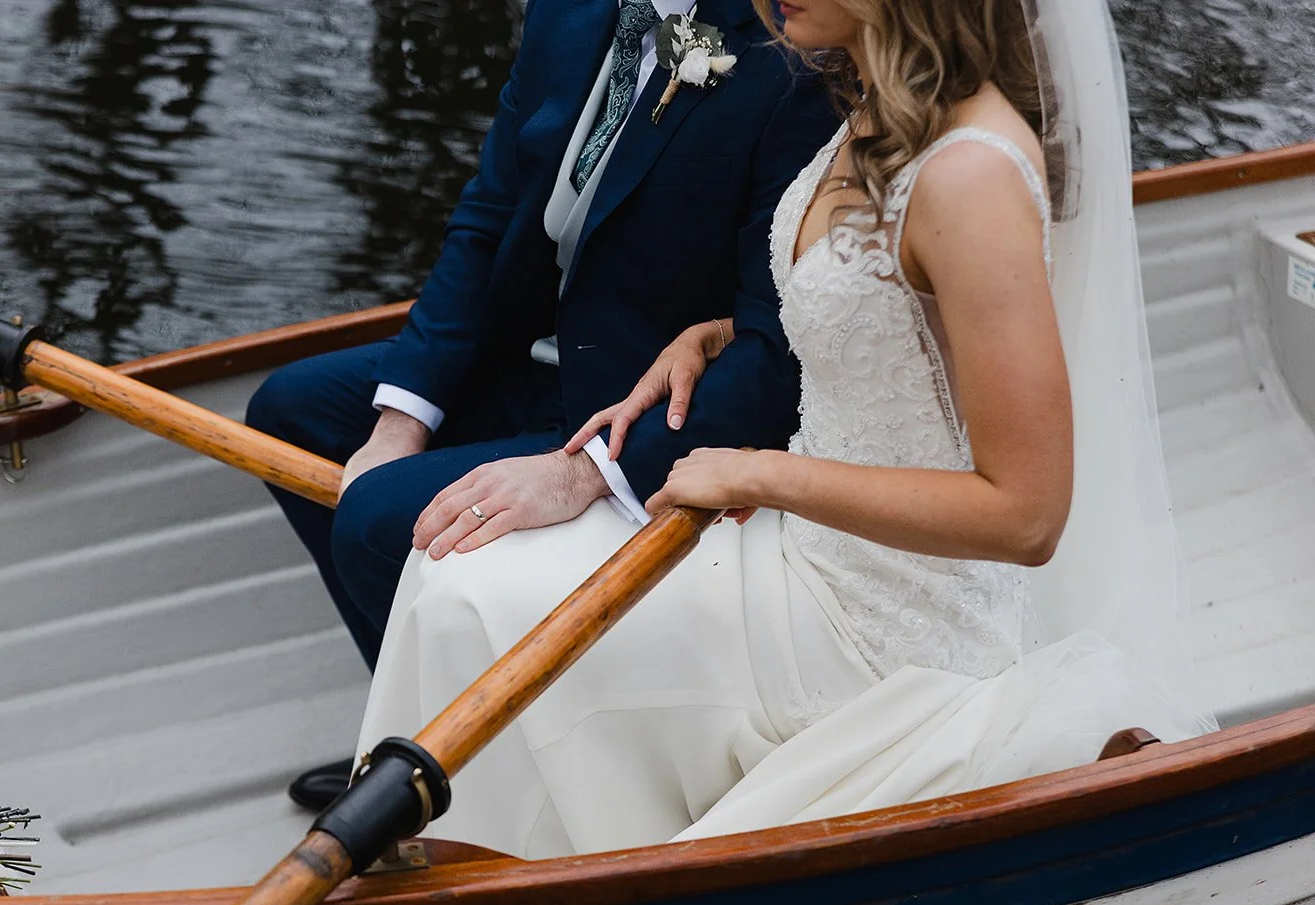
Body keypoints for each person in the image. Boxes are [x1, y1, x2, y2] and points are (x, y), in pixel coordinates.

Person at [353, 0, 1219, 859]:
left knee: (469, 598)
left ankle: (487, 896)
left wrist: (759, 476)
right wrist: (712, 336)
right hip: (801, 554)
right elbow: (885, 315)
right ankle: (450, 869)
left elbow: (1027, 516)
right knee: (454, 569)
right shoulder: (874, 104)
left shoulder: (972, 175)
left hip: (886, 624)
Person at [246, 0, 838, 809]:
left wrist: (590, 470)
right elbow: (491, 211)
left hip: (640, 401)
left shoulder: (791, 45)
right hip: (539, 349)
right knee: (296, 409)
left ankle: (454, 772)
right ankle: (419, 736)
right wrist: (401, 422)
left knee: (378, 518)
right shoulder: (575, 8)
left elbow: (780, 351)